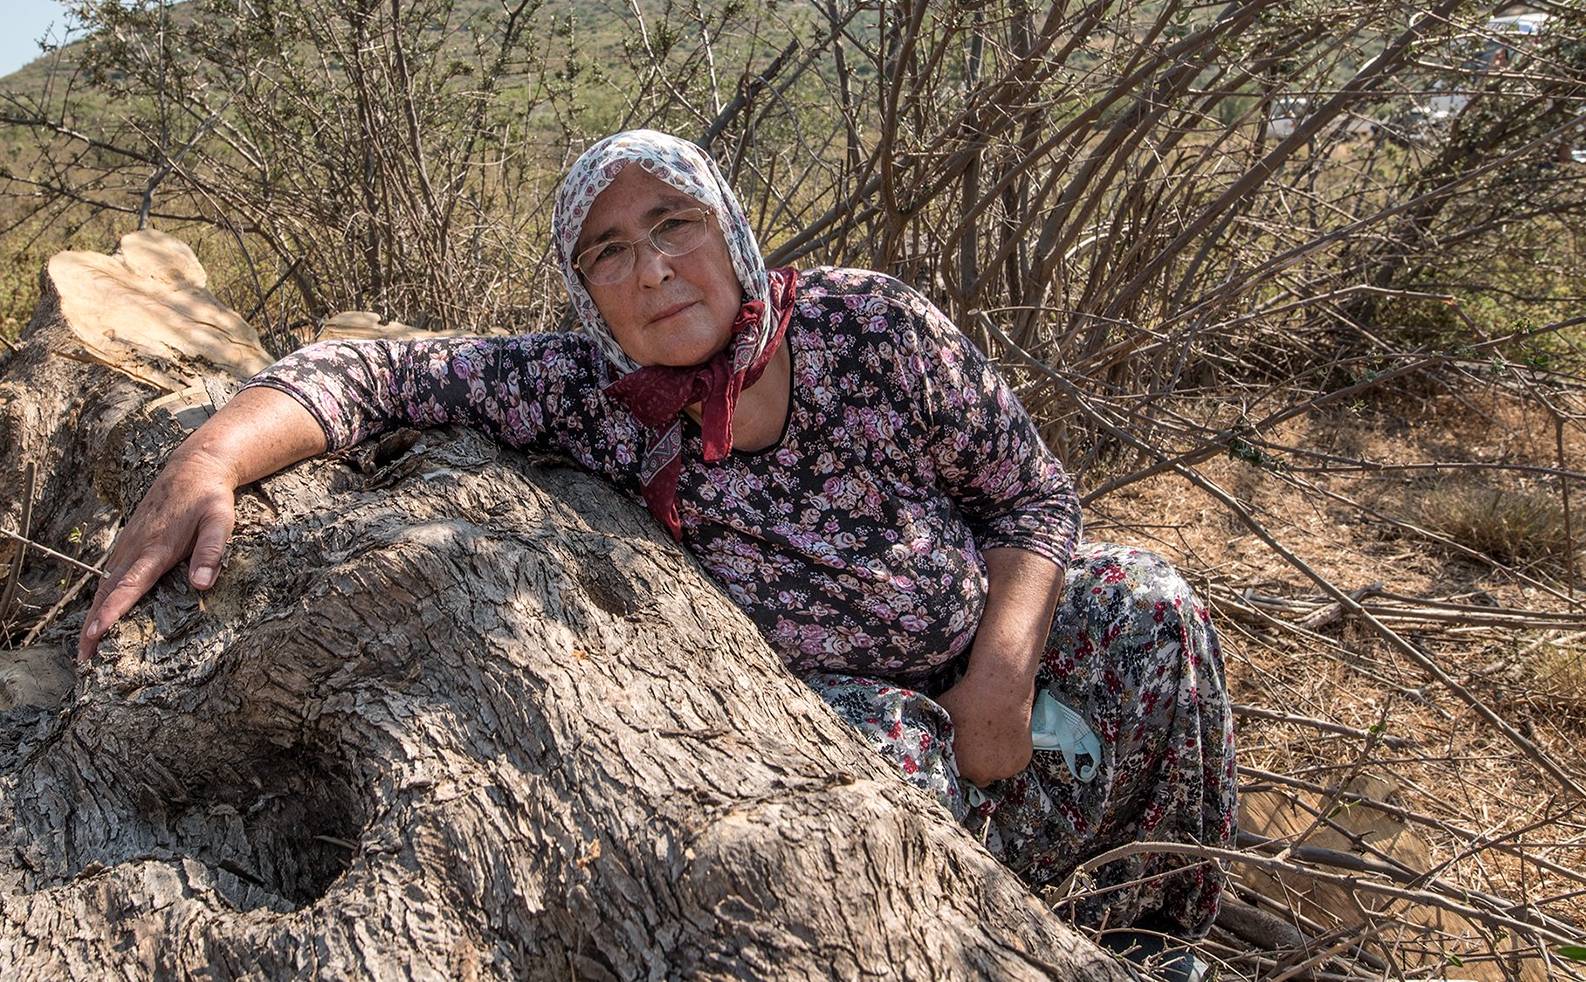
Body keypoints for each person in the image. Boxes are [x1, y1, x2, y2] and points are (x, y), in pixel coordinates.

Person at [79, 129, 1236, 944]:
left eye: (672, 222)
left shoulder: (874, 325)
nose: (653, 267)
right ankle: (1019, 930)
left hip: (985, 638)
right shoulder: (587, 389)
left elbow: (1031, 499)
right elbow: (380, 370)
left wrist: (999, 668)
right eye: (610, 251)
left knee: (1153, 604)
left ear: (728, 227)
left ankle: (1147, 920)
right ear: (588, 290)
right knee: (866, 809)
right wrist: (210, 456)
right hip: (845, 708)